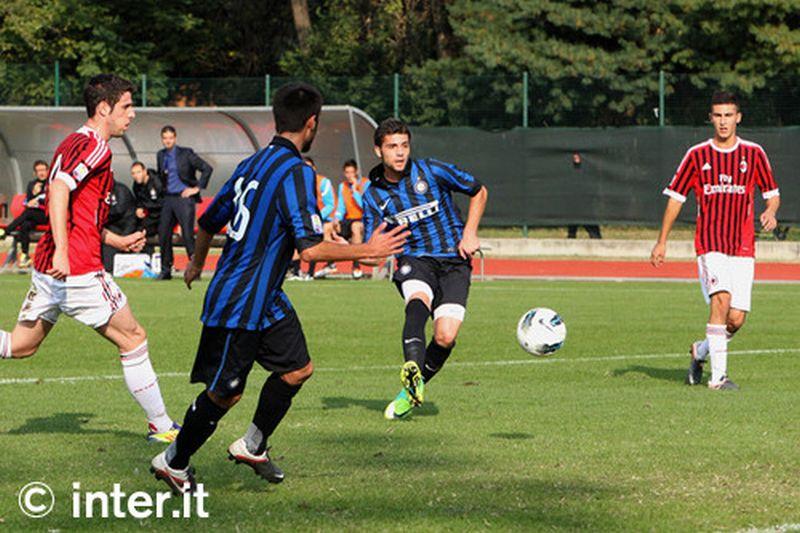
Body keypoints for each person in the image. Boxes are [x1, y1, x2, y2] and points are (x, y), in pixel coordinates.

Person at [149, 82, 408, 494]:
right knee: (225, 394)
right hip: (239, 300)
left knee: (297, 370)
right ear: (312, 123)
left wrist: (197, 262)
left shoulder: (253, 164)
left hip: (264, 298)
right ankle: (173, 461)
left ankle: (252, 445)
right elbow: (309, 250)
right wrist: (369, 249)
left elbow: (207, 222)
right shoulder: (294, 172)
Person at [0, 74, 180, 443]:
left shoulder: (71, 142)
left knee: (21, 345)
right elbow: (59, 190)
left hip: (49, 265)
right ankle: (162, 427)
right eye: (126, 106)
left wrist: (115, 238)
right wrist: (67, 252)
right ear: (104, 108)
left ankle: (161, 426)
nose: (132, 114)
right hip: (76, 267)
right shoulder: (97, 147)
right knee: (134, 338)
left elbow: (78, 212)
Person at [651, 90, 780, 391]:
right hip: (710, 244)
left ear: (738, 117)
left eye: (728, 116)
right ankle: (718, 379)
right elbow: (675, 199)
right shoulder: (697, 155)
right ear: (711, 118)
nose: (723, 122)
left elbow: (772, 195)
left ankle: (701, 351)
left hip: (743, 247)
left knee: (735, 319)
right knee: (720, 300)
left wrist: (771, 212)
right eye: (718, 116)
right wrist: (662, 241)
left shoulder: (754, 153)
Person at [361, 118, 488, 420]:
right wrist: (364, 253)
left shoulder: (432, 170)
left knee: (445, 337)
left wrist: (470, 232)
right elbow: (372, 252)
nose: (400, 152)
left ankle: (410, 391)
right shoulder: (372, 196)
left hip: (454, 261)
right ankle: (412, 367)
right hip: (414, 260)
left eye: (404, 145)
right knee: (417, 300)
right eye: (392, 146)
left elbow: (479, 191)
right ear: (378, 150)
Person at [156, 125, 213, 280]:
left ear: (175, 138)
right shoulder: (160, 155)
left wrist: (197, 188)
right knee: (164, 233)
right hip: (168, 198)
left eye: (170, 137)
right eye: (165, 138)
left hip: (184, 199)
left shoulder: (186, 154)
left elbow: (207, 168)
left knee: (187, 235)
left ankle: (195, 269)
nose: (167, 141)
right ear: (162, 139)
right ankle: (166, 269)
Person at [0, 160, 50, 267]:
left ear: (48, 171)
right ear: (35, 173)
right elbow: (28, 201)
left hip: (47, 215)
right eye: (38, 171)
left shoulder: (52, 183)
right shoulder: (32, 185)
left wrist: (38, 196)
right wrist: (33, 195)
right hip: (34, 214)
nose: (41, 173)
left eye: (43, 170)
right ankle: (25, 255)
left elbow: (47, 199)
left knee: (28, 213)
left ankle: (6, 231)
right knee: (25, 224)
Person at [334, 159, 370, 279]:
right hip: (348, 220)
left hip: (363, 220)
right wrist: (336, 219)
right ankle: (329, 263)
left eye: (351, 172)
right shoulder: (342, 186)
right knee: (329, 228)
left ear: (356, 172)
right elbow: (340, 207)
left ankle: (356, 266)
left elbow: (365, 206)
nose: (349, 175)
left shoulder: (365, 184)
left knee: (355, 227)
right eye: (347, 173)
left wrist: (355, 191)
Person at [304, 156, 338, 279]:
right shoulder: (300, 185)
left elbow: (330, 204)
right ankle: (296, 270)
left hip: (326, 220)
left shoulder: (323, 182)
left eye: (310, 167)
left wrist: (316, 217)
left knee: (324, 231)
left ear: (314, 168)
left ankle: (329, 264)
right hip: (308, 221)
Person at [102, 180, 139, 273]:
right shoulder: (96, 190)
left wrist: (124, 237)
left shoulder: (122, 191)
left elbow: (130, 217)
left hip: (120, 230)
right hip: (103, 230)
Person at [566, 152, 602, 239]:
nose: (576, 156)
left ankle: (596, 240)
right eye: (574, 154)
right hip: (573, 202)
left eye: (578, 154)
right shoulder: (568, 169)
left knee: (593, 230)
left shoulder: (589, 169)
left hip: (587, 203)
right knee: (572, 229)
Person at [131, 161, 163, 238]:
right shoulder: (136, 186)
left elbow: (164, 201)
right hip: (151, 215)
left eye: (138, 172)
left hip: (163, 214)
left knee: (164, 232)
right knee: (140, 231)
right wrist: (139, 208)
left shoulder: (157, 182)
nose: (136, 175)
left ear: (145, 171)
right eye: (133, 173)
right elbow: (139, 201)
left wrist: (145, 206)